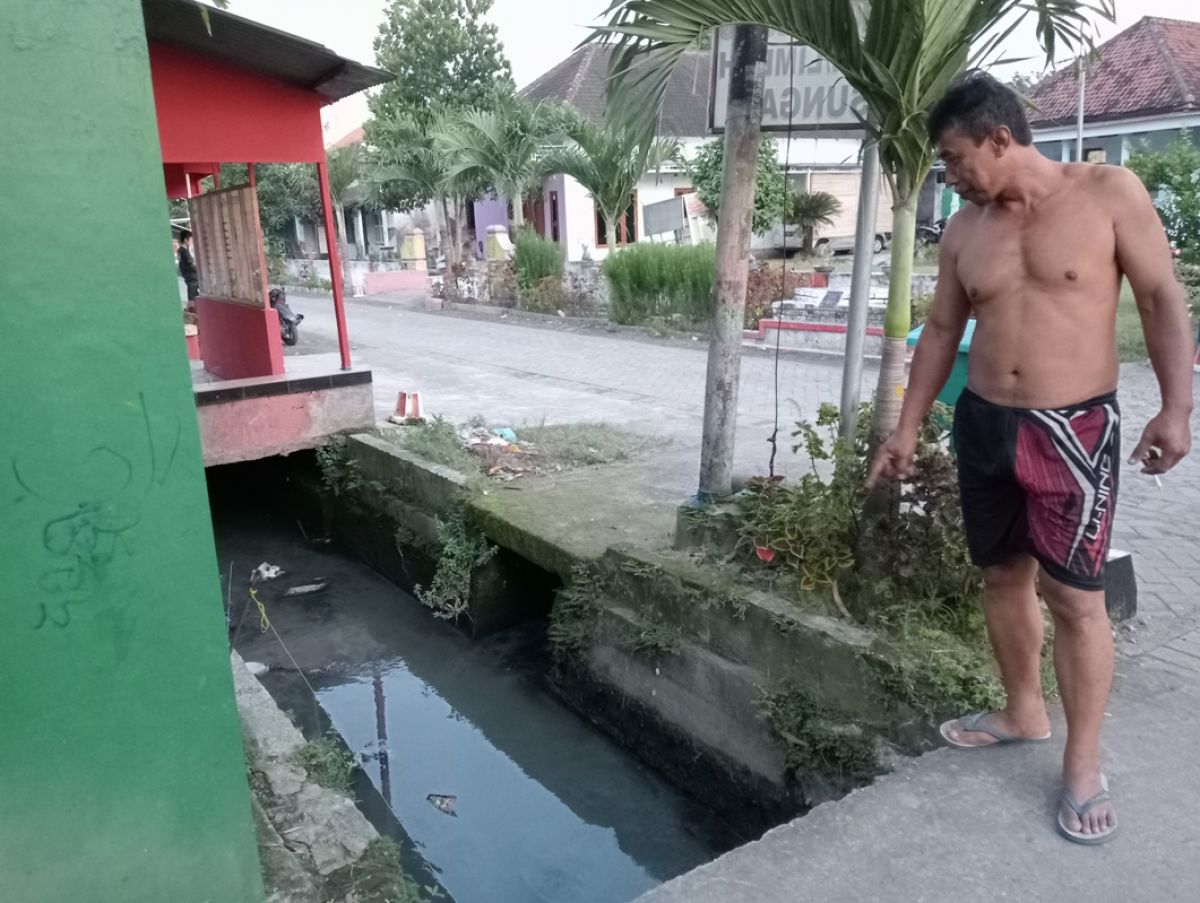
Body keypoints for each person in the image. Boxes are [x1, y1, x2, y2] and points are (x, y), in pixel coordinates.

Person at [868, 71, 1194, 845]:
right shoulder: (962, 229)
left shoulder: (1109, 193)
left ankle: (1083, 763)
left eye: (953, 158)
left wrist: (1178, 408)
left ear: (1000, 138)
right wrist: (906, 427)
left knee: (1076, 596)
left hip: (1074, 431)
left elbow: (1160, 298)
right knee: (1001, 573)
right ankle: (1023, 709)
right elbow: (942, 331)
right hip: (982, 424)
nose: (947, 176)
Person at [177, 229, 199, 304]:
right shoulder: (184, 251)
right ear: (186, 240)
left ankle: (193, 305)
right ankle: (192, 307)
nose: (192, 242)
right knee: (193, 289)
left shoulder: (180, 250)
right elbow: (190, 264)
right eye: (191, 240)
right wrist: (197, 269)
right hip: (191, 275)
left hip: (187, 274)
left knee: (193, 291)